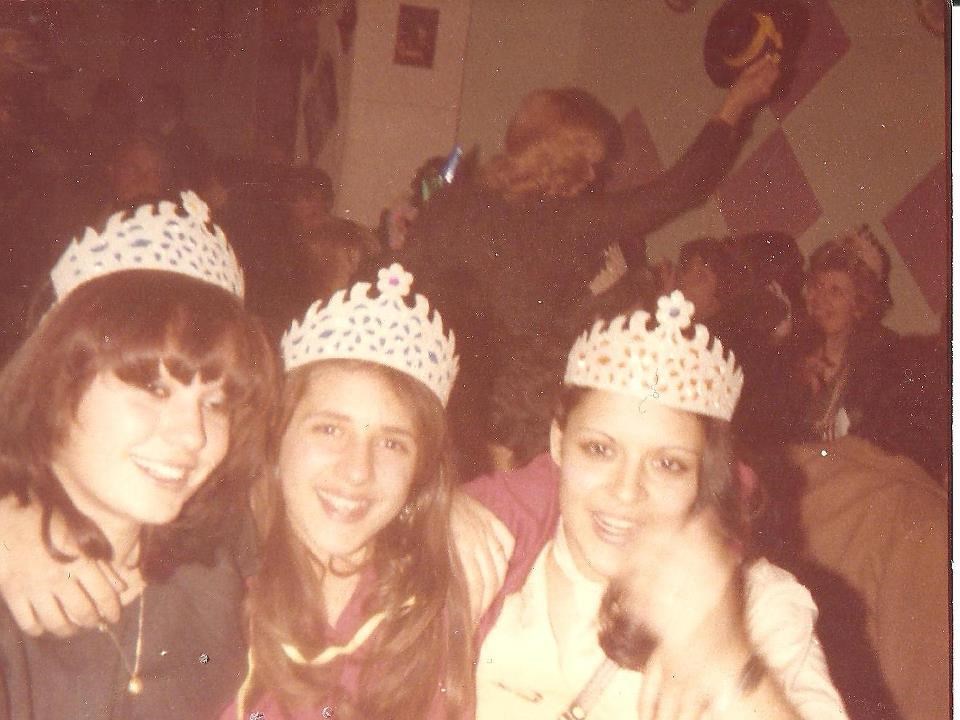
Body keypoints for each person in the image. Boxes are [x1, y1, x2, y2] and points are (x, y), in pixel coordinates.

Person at [466, 290, 848, 719]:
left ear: (705, 475)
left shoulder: (762, 605)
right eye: (599, 449)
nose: (627, 491)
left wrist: (731, 668)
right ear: (558, 442)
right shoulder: (491, 555)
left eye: (667, 464)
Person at [400, 56, 781, 477]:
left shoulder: (449, 204)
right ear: (565, 157)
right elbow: (678, 189)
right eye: (591, 161)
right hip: (514, 434)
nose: (594, 175)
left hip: (424, 409)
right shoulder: (567, 221)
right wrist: (734, 105)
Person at [0, 191, 279, 719]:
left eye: (215, 403)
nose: (192, 436)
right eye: (153, 388)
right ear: (56, 384)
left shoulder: (216, 558)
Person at [222, 263, 476, 720]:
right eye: (329, 429)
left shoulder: (436, 592)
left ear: (420, 470)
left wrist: (471, 510)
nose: (358, 471)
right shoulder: (213, 576)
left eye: (392, 443)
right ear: (277, 433)